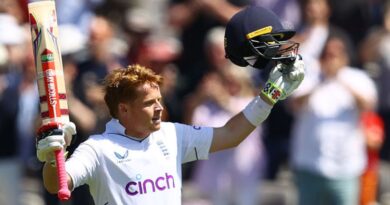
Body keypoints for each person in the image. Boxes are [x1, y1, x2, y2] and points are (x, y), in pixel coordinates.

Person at [35, 6, 305, 205]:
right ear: (124, 109)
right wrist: (50, 158)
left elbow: (232, 134)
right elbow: (57, 183)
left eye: (158, 101)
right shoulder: (97, 149)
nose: (158, 109)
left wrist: (271, 92)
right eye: (149, 103)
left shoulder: (172, 135)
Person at [290, 30, 377, 205]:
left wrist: (339, 78)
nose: (332, 59)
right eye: (328, 55)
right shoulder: (308, 76)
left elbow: (367, 106)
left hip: (346, 168)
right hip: (309, 166)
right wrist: (322, 80)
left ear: (345, 57)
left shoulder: (357, 78)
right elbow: (294, 105)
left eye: (337, 55)